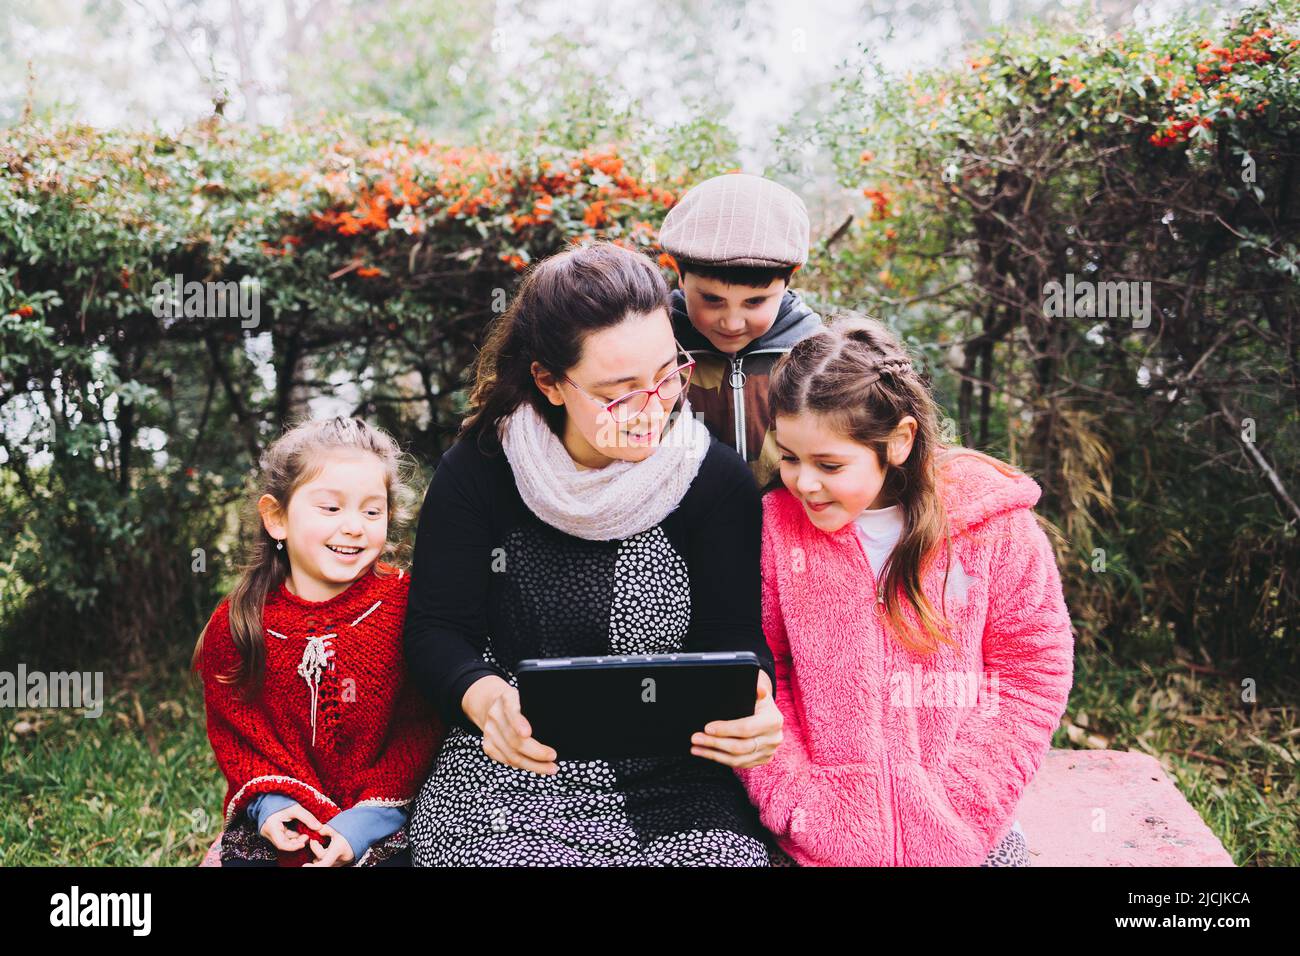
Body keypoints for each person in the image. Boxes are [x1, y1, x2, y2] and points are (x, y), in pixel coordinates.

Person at [403, 241, 782, 866]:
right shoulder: (482, 468)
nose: (654, 410)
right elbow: (437, 630)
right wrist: (482, 697)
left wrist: (755, 703)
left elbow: (734, 637)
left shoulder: (712, 481)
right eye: (619, 391)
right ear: (550, 382)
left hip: (671, 771)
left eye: (668, 375)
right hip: (511, 765)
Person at [736, 313, 1075, 866]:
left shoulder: (991, 523)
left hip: (966, 831)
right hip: (814, 838)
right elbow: (767, 670)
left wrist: (971, 798)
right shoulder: (777, 530)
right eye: (790, 457)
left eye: (829, 463)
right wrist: (799, 799)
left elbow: (1031, 665)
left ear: (898, 440)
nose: (804, 482)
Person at [193, 416, 442, 867]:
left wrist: (361, 825)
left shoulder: (407, 606)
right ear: (276, 518)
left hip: (384, 819)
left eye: (372, 511)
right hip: (280, 819)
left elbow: (419, 729)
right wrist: (271, 807)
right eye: (330, 508)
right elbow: (240, 737)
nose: (354, 527)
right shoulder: (239, 622)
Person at [658, 172, 824, 489]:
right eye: (712, 299)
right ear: (680, 274)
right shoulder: (658, 347)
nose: (732, 323)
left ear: (790, 278)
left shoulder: (816, 353)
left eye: (755, 302)